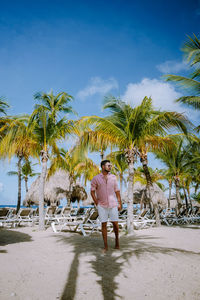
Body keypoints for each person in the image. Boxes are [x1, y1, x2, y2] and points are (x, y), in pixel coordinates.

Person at [91, 160, 122, 252]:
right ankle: (106, 246)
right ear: (103, 167)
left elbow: (117, 191)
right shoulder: (96, 178)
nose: (110, 167)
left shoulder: (113, 177)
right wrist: (97, 203)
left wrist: (119, 202)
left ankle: (117, 241)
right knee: (103, 224)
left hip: (113, 205)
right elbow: (92, 191)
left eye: (110, 165)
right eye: (108, 165)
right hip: (102, 205)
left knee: (115, 224)